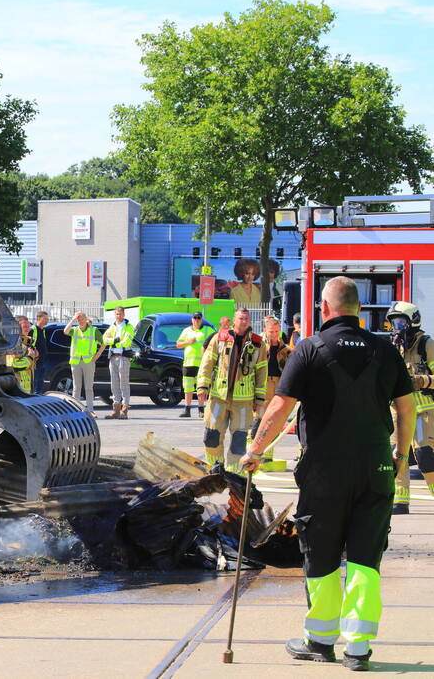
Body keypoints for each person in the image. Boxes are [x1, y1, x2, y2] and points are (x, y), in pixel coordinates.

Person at [241, 277, 414, 671]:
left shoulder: (310, 349)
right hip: (376, 469)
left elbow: (281, 406)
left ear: (324, 308)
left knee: (320, 555)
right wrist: (400, 456)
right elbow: (406, 409)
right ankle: (358, 649)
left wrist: (255, 451)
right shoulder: (384, 350)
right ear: (357, 309)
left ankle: (319, 640)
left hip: (324, 473)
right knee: (366, 560)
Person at [196, 307, 266, 471]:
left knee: (239, 441)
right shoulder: (219, 338)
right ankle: (215, 469)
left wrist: (260, 399)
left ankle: (235, 474)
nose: (243, 322)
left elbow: (262, 371)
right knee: (211, 436)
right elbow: (207, 362)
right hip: (218, 397)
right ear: (234, 320)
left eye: (246, 319)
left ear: (250, 321)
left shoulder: (257, 343)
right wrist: (202, 386)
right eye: (240, 318)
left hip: (243, 401)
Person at [386, 302, 434, 515]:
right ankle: (400, 501)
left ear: (413, 321)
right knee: (398, 454)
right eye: (394, 322)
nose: (397, 326)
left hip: (423, 412)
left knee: (425, 457)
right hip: (398, 412)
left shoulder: (427, 345)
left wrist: (421, 380)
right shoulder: (395, 347)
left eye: (401, 321)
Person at [250, 315, 291, 468]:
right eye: (271, 331)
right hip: (264, 384)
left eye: (277, 331)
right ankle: (253, 451)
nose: (274, 335)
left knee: (275, 419)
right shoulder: (259, 346)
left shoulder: (286, 350)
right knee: (259, 418)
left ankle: (268, 456)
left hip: (278, 384)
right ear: (265, 331)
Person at [62, 311, 103, 415]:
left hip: (88, 361)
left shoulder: (94, 330)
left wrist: (98, 354)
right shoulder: (75, 330)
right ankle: (76, 410)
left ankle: (90, 410)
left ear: (86, 318)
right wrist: (72, 319)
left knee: (89, 387)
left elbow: (104, 342)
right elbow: (65, 331)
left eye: (81, 318)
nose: (80, 320)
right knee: (76, 387)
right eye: (78, 319)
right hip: (75, 362)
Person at [176, 312, 212, 418]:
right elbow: (178, 344)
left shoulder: (207, 330)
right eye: (195, 318)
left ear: (201, 319)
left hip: (202, 364)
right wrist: (188, 342)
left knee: (201, 387)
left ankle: (201, 410)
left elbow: (215, 340)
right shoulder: (186, 331)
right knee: (188, 388)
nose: (196, 320)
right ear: (192, 319)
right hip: (188, 364)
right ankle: (187, 410)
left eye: (199, 318)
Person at [103, 307, 135, 419]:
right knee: (114, 384)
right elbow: (104, 339)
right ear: (114, 314)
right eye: (117, 314)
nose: (118, 316)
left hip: (123, 357)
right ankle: (115, 410)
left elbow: (126, 342)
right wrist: (115, 340)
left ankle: (124, 410)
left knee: (124, 384)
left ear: (124, 314)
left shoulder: (129, 327)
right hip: (113, 358)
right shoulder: (112, 326)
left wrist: (113, 342)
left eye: (120, 314)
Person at [8, 315, 38, 392]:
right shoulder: (10, 344)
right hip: (17, 390)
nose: (28, 329)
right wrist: (30, 357)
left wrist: (35, 356)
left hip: (27, 389)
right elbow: (12, 366)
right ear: (16, 328)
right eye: (25, 326)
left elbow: (30, 366)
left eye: (28, 326)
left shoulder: (26, 342)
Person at [32, 311, 51, 394]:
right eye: (45, 318)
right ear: (38, 319)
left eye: (47, 318)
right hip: (35, 362)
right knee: (34, 383)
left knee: (40, 383)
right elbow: (28, 345)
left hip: (42, 362)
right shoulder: (33, 330)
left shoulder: (43, 331)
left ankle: (38, 398)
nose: (47, 320)